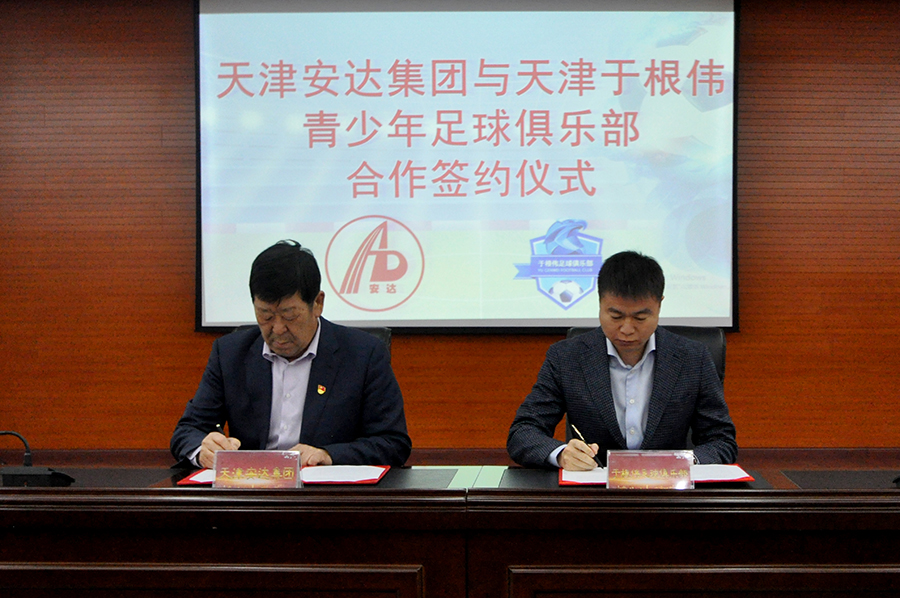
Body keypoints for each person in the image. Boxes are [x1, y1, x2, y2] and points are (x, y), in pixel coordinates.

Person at [171, 240, 411, 469]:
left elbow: (393, 443)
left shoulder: (363, 355)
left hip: (324, 492)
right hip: (252, 490)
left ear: (318, 303)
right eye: (265, 315)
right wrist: (203, 450)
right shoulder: (230, 354)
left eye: (289, 315)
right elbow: (188, 430)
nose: (277, 329)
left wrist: (329, 455)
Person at [507, 250, 737, 470]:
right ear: (600, 303)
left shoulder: (692, 358)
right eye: (615, 316)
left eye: (640, 317)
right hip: (595, 489)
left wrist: (685, 462)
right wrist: (561, 454)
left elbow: (722, 440)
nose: (627, 329)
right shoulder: (567, 358)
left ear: (659, 305)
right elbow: (523, 432)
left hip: (668, 489)